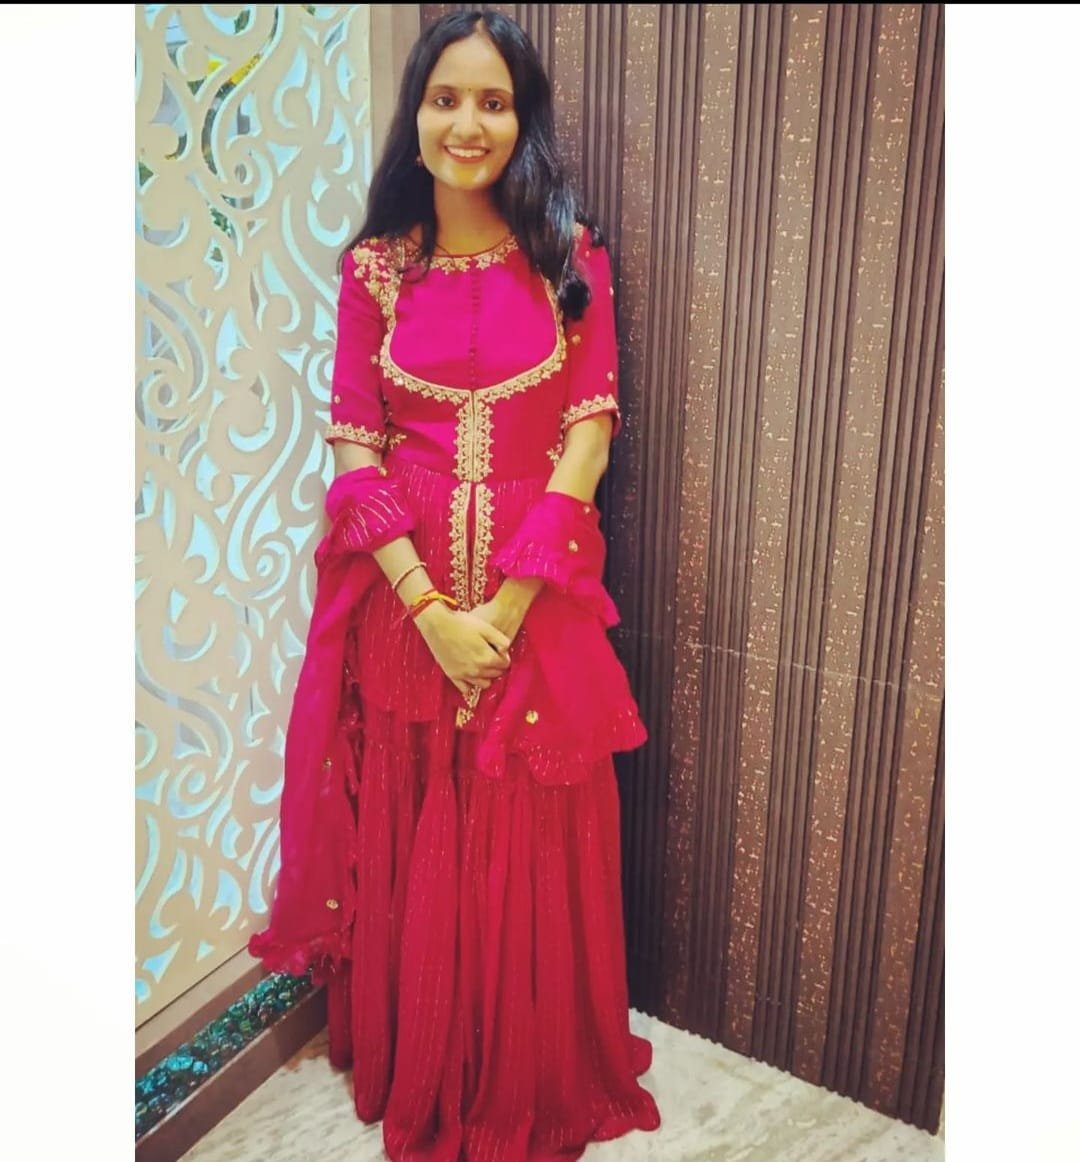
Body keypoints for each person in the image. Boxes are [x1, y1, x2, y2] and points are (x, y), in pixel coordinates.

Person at [248, 9, 661, 1158]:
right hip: (406, 598)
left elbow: (587, 439)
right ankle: (425, 1050)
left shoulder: (572, 259)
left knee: (529, 819)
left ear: (524, 120)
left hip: (540, 593)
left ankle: (524, 1065)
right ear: (415, 114)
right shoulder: (375, 270)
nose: (467, 123)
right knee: (418, 805)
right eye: (445, 98)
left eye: (493, 101)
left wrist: (507, 610)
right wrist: (430, 611)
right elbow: (353, 445)